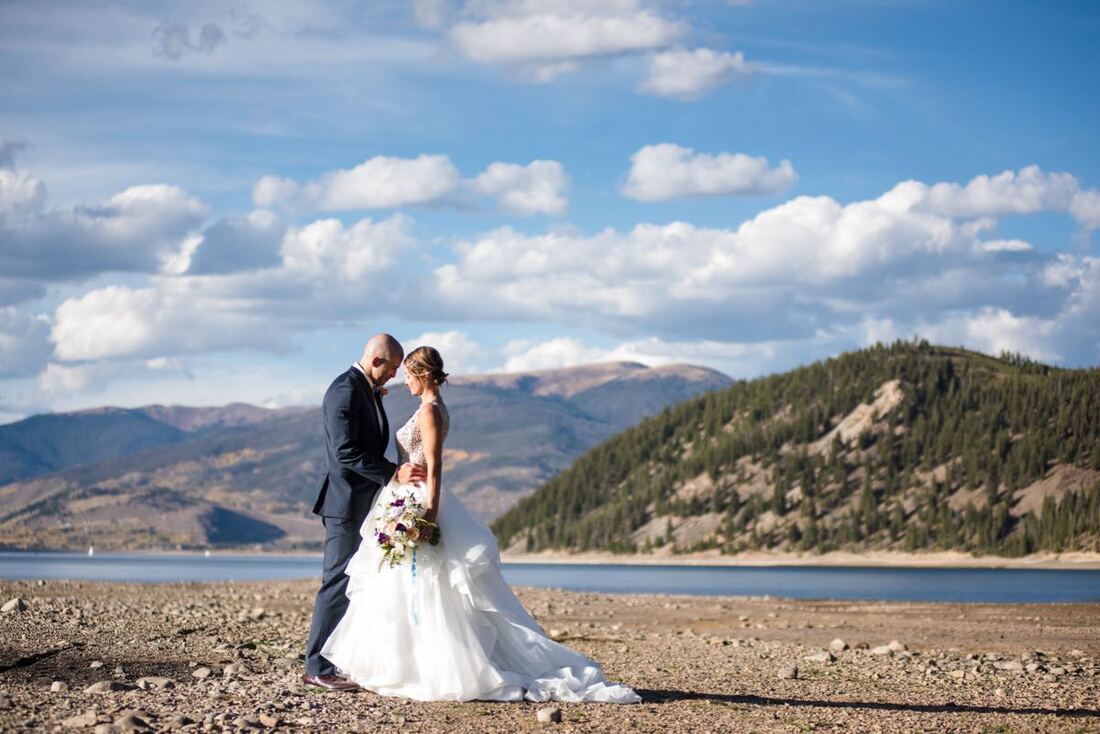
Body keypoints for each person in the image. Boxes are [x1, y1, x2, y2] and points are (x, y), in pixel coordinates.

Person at [322, 346, 640, 703]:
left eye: (408, 374)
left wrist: (429, 510)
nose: (403, 381)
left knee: (427, 583)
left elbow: (436, 466)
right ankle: (406, 660)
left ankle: (427, 666)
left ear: (423, 375)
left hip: (418, 497)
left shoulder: (429, 411)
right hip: (403, 495)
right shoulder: (431, 407)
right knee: (408, 583)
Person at [303, 334, 426, 690]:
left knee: (354, 579)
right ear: (376, 361)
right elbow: (344, 452)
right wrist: (392, 472)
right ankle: (316, 667)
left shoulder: (363, 389)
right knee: (338, 580)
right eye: (391, 369)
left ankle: (336, 660)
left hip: (364, 502)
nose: (394, 377)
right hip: (345, 503)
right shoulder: (345, 390)